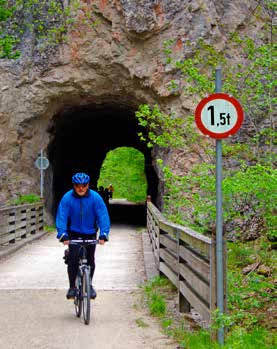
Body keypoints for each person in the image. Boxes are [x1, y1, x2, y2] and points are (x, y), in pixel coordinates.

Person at [56, 172, 110, 300]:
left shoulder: (95, 198)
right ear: (73, 186)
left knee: (90, 259)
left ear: (88, 185)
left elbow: (103, 215)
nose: (81, 188)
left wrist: (103, 233)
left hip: (90, 232)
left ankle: (89, 285)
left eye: (84, 185)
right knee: (73, 259)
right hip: (73, 233)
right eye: (78, 185)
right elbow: (62, 216)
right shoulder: (67, 198)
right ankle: (72, 288)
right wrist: (62, 234)